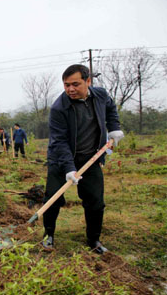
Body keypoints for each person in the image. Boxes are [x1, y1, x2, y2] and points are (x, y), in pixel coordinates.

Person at [42, 64, 124, 254]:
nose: (70, 89)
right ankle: (48, 236)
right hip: (61, 160)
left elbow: (111, 108)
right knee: (53, 198)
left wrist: (114, 127)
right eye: (66, 85)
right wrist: (69, 168)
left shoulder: (100, 95)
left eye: (75, 84)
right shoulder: (59, 108)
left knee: (95, 201)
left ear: (88, 81)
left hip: (91, 157)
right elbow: (59, 141)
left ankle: (94, 240)